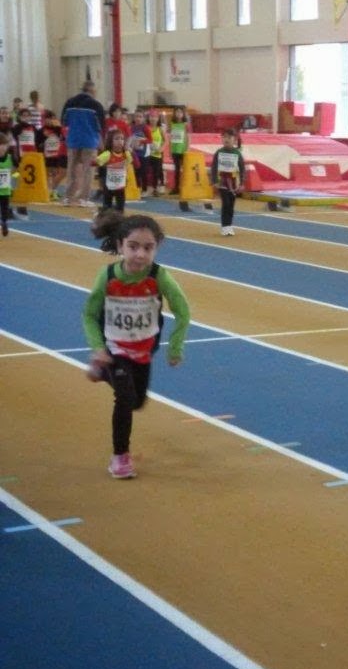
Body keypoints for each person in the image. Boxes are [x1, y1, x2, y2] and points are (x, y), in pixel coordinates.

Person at [82, 211, 191, 479]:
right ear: (120, 246)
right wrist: (98, 348)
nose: (140, 255)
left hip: (144, 348)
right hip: (115, 347)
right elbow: (89, 315)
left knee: (137, 401)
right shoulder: (108, 276)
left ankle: (102, 372)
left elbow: (183, 311)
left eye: (148, 248)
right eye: (133, 247)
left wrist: (175, 347)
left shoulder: (159, 276)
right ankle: (120, 458)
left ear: (157, 248)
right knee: (125, 397)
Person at [61, 80, 106, 207]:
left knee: (71, 170)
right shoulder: (96, 105)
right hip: (89, 141)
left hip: (73, 140)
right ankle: (84, 199)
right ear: (92, 90)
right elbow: (100, 126)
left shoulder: (69, 102)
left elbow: (64, 122)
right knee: (88, 171)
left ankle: (68, 198)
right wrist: (101, 141)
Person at [211, 127, 246, 236]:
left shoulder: (237, 153)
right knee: (225, 203)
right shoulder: (219, 152)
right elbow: (214, 167)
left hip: (234, 184)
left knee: (231, 205)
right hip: (222, 183)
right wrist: (214, 181)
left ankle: (229, 225)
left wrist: (242, 183)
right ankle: (225, 226)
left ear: (234, 140)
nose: (226, 139)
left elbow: (242, 169)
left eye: (229, 137)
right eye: (224, 137)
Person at [96, 129, 138, 213]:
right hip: (109, 184)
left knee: (120, 206)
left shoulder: (126, 154)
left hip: (120, 185)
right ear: (110, 141)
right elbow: (96, 162)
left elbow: (136, 164)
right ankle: (105, 215)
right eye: (117, 139)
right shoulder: (108, 154)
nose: (120, 141)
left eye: (122, 139)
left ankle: (119, 215)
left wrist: (132, 152)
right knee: (107, 205)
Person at [41, 110, 68, 201]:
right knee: (48, 173)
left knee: (56, 173)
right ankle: (48, 191)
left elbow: (63, 136)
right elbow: (38, 142)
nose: (52, 121)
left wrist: (58, 126)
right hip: (47, 155)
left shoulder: (58, 129)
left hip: (57, 154)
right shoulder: (42, 130)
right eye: (49, 118)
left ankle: (53, 191)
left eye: (53, 118)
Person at [168, 106, 190, 197]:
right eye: (177, 112)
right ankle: (176, 188)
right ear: (174, 113)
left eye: (180, 112)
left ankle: (185, 187)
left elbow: (188, 137)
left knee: (185, 169)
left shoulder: (185, 124)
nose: (178, 114)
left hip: (183, 150)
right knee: (176, 170)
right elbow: (170, 138)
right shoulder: (172, 124)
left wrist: (187, 148)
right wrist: (170, 150)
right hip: (175, 150)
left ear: (183, 114)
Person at [144, 109, 167, 195]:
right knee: (146, 171)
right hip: (147, 154)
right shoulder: (145, 128)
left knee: (156, 172)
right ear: (148, 118)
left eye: (155, 117)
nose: (153, 119)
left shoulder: (160, 129)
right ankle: (146, 188)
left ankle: (156, 188)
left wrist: (161, 149)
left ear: (158, 119)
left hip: (157, 154)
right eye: (151, 117)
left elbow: (166, 141)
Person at [0, 133, 18, 237]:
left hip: (5, 190)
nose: (2, 148)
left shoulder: (11, 159)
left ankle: (4, 223)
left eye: (4, 145)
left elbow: (18, 172)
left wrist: (13, 179)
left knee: (4, 208)